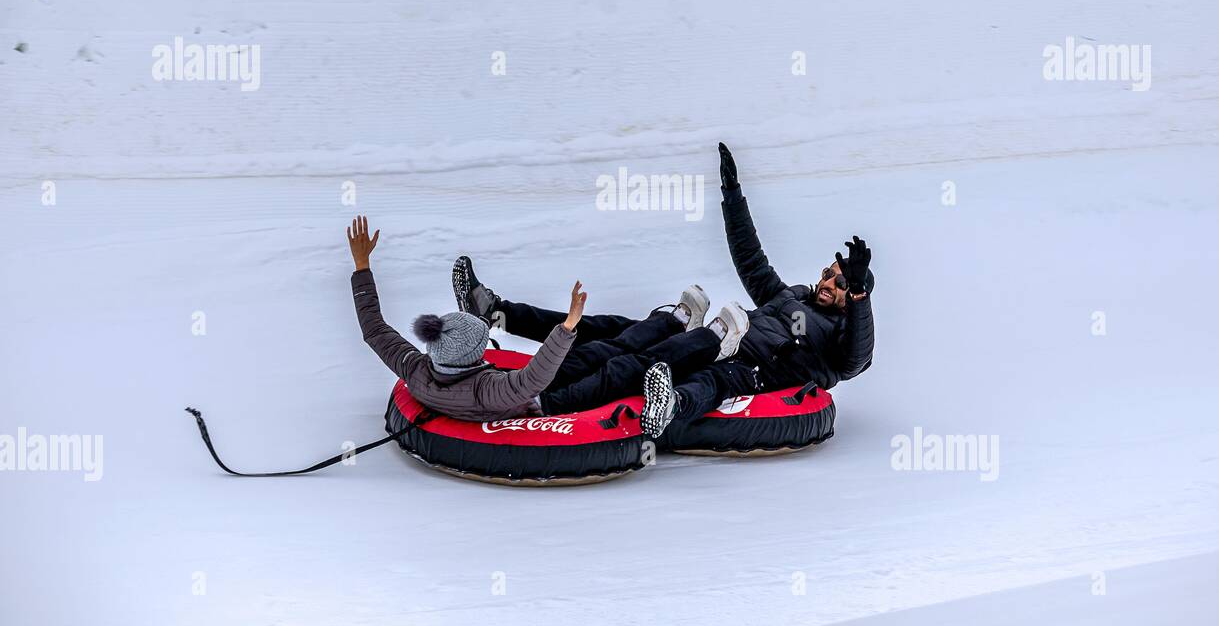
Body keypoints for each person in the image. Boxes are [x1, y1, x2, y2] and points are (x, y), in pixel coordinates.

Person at [452, 142, 875, 436]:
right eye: (827, 273)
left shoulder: (838, 339)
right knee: (611, 330)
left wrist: (858, 298)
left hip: (745, 368)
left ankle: (655, 405)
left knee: (674, 372)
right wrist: (732, 194)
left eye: (839, 281)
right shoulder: (791, 298)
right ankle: (496, 313)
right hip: (713, 337)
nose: (826, 282)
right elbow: (750, 258)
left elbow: (857, 357)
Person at [347, 215, 692, 435]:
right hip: (551, 402)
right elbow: (532, 380)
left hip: (535, 389)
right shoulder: (485, 390)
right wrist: (566, 328)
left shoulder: (417, 371)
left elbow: (374, 330)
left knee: (600, 348)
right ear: (470, 356)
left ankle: (673, 324)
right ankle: (690, 339)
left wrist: (362, 266)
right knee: (618, 366)